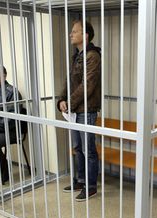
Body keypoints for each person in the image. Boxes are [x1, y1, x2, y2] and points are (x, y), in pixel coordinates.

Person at [57, 20, 101, 202]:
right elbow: (69, 81)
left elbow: (87, 85)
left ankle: (91, 187)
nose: (70, 34)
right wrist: (61, 99)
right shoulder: (77, 55)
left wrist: (70, 103)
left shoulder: (92, 56)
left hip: (86, 110)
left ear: (85, 35)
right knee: (77, 148)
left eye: (74, 31)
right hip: (76, 110)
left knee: (88, 149)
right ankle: (81, 180)